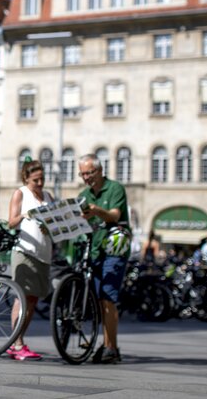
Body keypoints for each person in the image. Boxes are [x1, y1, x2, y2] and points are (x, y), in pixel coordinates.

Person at [78, 154, 130, 364]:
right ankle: (108, 345)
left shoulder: (115, 188)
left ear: (99, 171)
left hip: (114, 249)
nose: (86, 177)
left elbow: (115, 216)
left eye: (89, 173)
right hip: (94, 249)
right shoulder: (84, 194)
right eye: (82, 174)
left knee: (108, 296)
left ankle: (111, 347)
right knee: (99, 299)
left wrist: (95, 210)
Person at [6, 159, 54, 361]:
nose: (40, 183)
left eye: (42, 179)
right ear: (26, 178)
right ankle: (15, 344)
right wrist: (26, 215)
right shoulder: (21, 193)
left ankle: (20, 340)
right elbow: (10, 222)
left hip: (44, 253)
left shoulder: (49, 196)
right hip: (25, 251)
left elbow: (54, 221)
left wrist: (49, 225)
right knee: (22, 297)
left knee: (33, 300)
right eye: (36, 180)